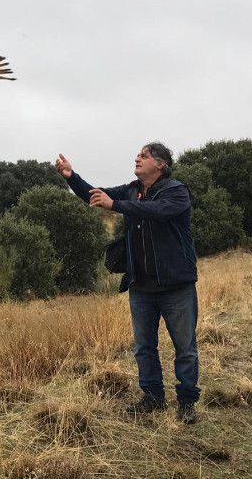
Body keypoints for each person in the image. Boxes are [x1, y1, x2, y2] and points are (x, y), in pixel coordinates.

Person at [55, 142, 200, 424]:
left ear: (160, 164)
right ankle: (153, 398)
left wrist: (116, 205)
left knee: (185, 347)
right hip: (141, 287)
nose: (137, 158)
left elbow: (156, 211)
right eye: (138, 154)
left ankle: (186, 403)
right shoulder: (133, 190)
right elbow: (96, 196)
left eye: (143, 156)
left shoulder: (176, 192)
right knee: (143, 347)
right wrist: (72, 177)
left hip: (176, 287)